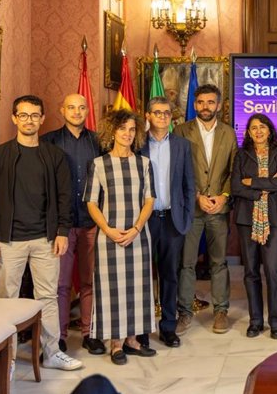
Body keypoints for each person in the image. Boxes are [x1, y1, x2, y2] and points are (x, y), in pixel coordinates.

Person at [0, 95, 83, 375]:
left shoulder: (54, 156)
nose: (29, 120)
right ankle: (5, 361)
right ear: (13, 118)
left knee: (47, 297)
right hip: (9, 240)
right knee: (7, 299)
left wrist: (62, 231)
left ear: (43, 119)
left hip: (45, 239)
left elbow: (65, 197)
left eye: (34, 115)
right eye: (23, 115)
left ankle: (52, 352)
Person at [84, 109, 157, 365]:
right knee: (112, 289)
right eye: (122, 129)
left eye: (132, 129)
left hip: (138, 235)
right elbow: (92, 202)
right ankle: (115, 343)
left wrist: (136, 228)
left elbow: (150, 200)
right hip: (110, 236)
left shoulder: (144, 164)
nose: (127, 134)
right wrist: (108, 229)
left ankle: (132, 340)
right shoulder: (99, 164)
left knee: (139, 287)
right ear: (112, 131)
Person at [41, 94, 104, 355]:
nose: (76, 112)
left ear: (87, 110)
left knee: (90, 281)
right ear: (61, 110)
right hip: (62, 226)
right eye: (71, 107)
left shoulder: (98, 141)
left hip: (92, 220)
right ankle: (60, 335)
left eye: (81, 108)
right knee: (62, 283)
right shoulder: (49, 141)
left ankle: (90, 333)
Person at [173, 84, 238, 336]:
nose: (205, 107)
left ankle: (221, 311)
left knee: (218, 262)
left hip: (219, 210)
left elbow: (234, 170)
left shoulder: (229, 133)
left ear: (219, 105)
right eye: (200, 102)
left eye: (210, 102)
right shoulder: (181, 131)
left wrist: (223, 196)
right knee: (186, 263)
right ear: (195, 104)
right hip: (191, 208)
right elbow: (177, 171)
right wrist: (197, 196)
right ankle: (185, 312)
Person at [140, 97, 195, 348]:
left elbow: (188, 184)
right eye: (157, 112)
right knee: (142, 275)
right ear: (148, 115)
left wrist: (186, 217)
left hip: (172, 220)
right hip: (144, 220)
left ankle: (168, 327)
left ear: (172, 117)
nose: (162, 117)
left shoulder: (182, 145)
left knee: (169, 275)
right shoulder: (137, 144)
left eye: (166, 113)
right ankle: (140, 329)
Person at [232, 114, 277, 339]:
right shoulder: (241, 154)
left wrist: (252, 181)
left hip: (274, 219)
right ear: (247, 132)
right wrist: (262, 189)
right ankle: (255, 321)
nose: (258, 131)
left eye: (262, 127)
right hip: (247, 219)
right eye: (253, 128)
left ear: (269, 130)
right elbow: (236, 186)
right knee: (251, 272)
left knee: (274, 271)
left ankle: (276, 322)